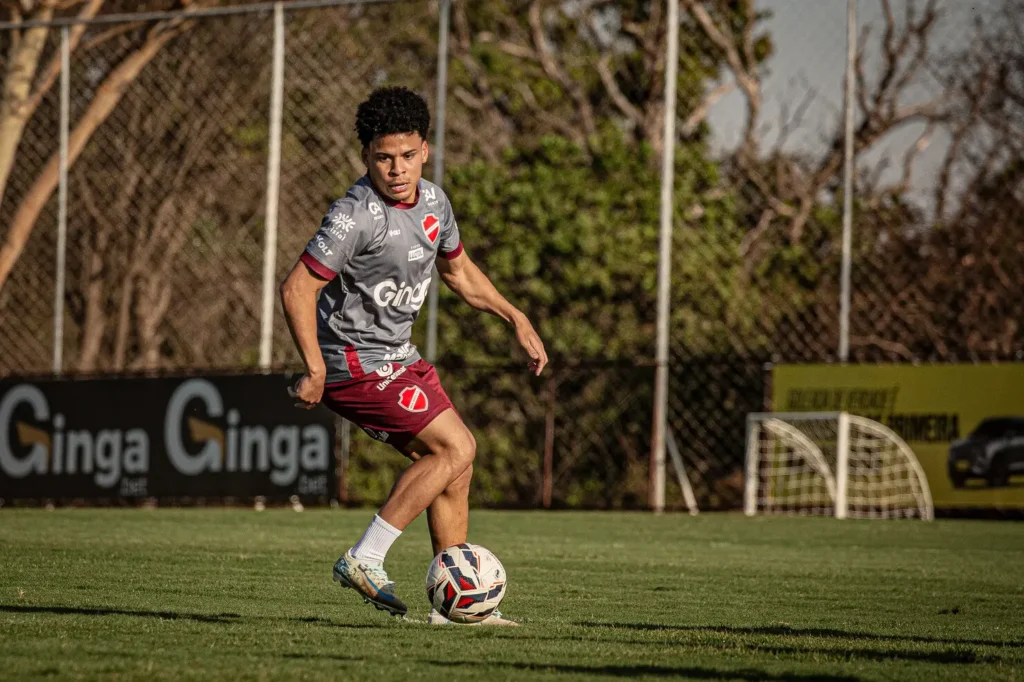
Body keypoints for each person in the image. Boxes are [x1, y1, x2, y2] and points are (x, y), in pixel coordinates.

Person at [280, 86, 547, 626]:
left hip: (398, 358)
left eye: (406, 155)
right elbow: (297, 289)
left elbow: (460, 273)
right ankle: (366, 556)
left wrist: (514, 316)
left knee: (455, 469)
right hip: (352, 363)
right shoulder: (354, 215)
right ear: (366, 157)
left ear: (425, 149)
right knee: (456, 446)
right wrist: (314, 368)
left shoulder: (434, 203)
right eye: (383, 157)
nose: (396, 169)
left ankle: (457, 607)